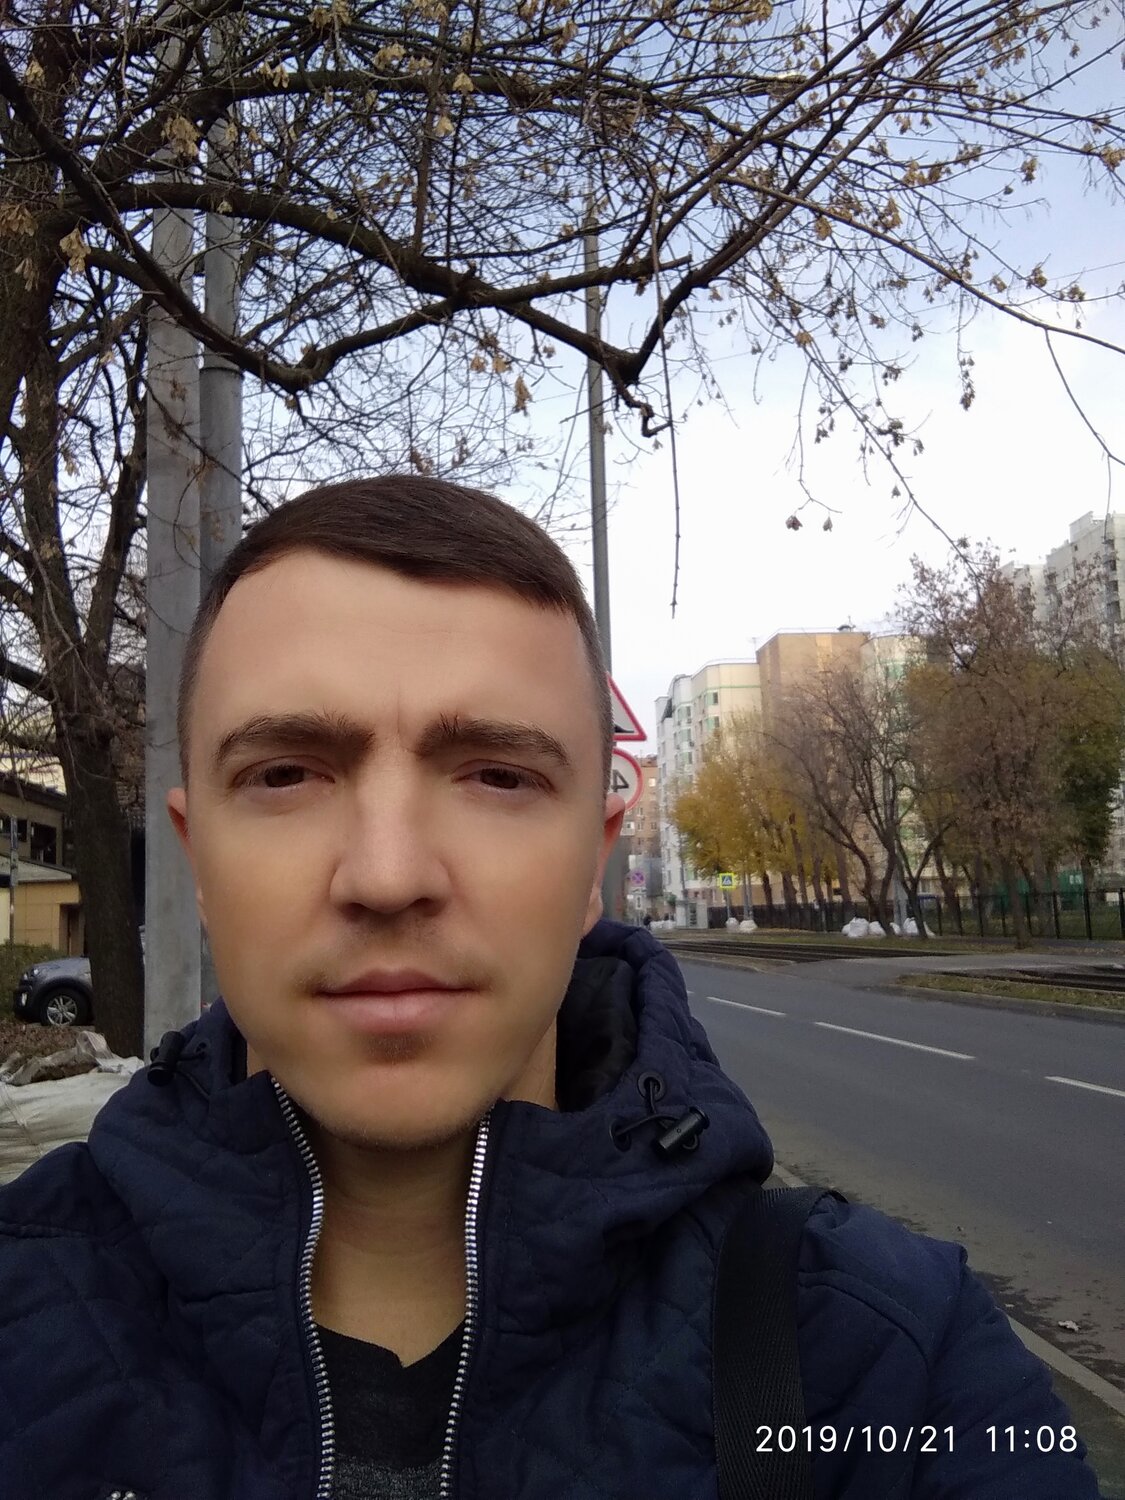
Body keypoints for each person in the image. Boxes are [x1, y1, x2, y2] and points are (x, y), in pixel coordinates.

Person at [0, 476, 1101, 1500]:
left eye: (497, 775)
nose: (387, 874)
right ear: (197, 857)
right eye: (286, 773)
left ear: (594, 860)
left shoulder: (893, 1356)